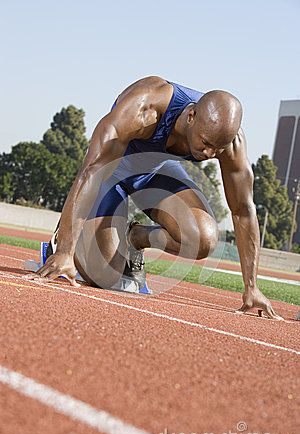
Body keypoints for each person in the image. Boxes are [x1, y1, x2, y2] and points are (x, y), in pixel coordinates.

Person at [27, 76, 283, 320]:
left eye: (217, 148)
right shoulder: (147, 104)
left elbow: (242, 211)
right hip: (110, 170)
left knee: (203, 238)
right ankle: (58, 242)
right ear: (191, 116)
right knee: (103, 276)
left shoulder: (229, 143)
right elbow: (92, 171)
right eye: (205, 143)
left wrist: (252, 286)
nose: (209, 153)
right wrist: (65, 252)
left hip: (153, 171)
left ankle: (135, 237)